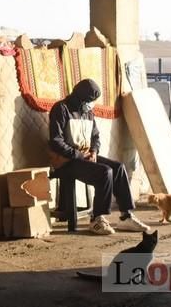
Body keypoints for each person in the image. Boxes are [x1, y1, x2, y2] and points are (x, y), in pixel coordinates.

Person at [48, 78, 150, 235]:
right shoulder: (61, 109)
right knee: (104, 172)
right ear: (80, 98)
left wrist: (94, 151)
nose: (92, 104)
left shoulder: (88, 112)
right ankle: (97, 219)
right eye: (90, 100)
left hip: (84, 156)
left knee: (118, 168)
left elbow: (95, 136)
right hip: (66, 161)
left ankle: (126, 217)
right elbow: (56, 141)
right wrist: (79, 155)